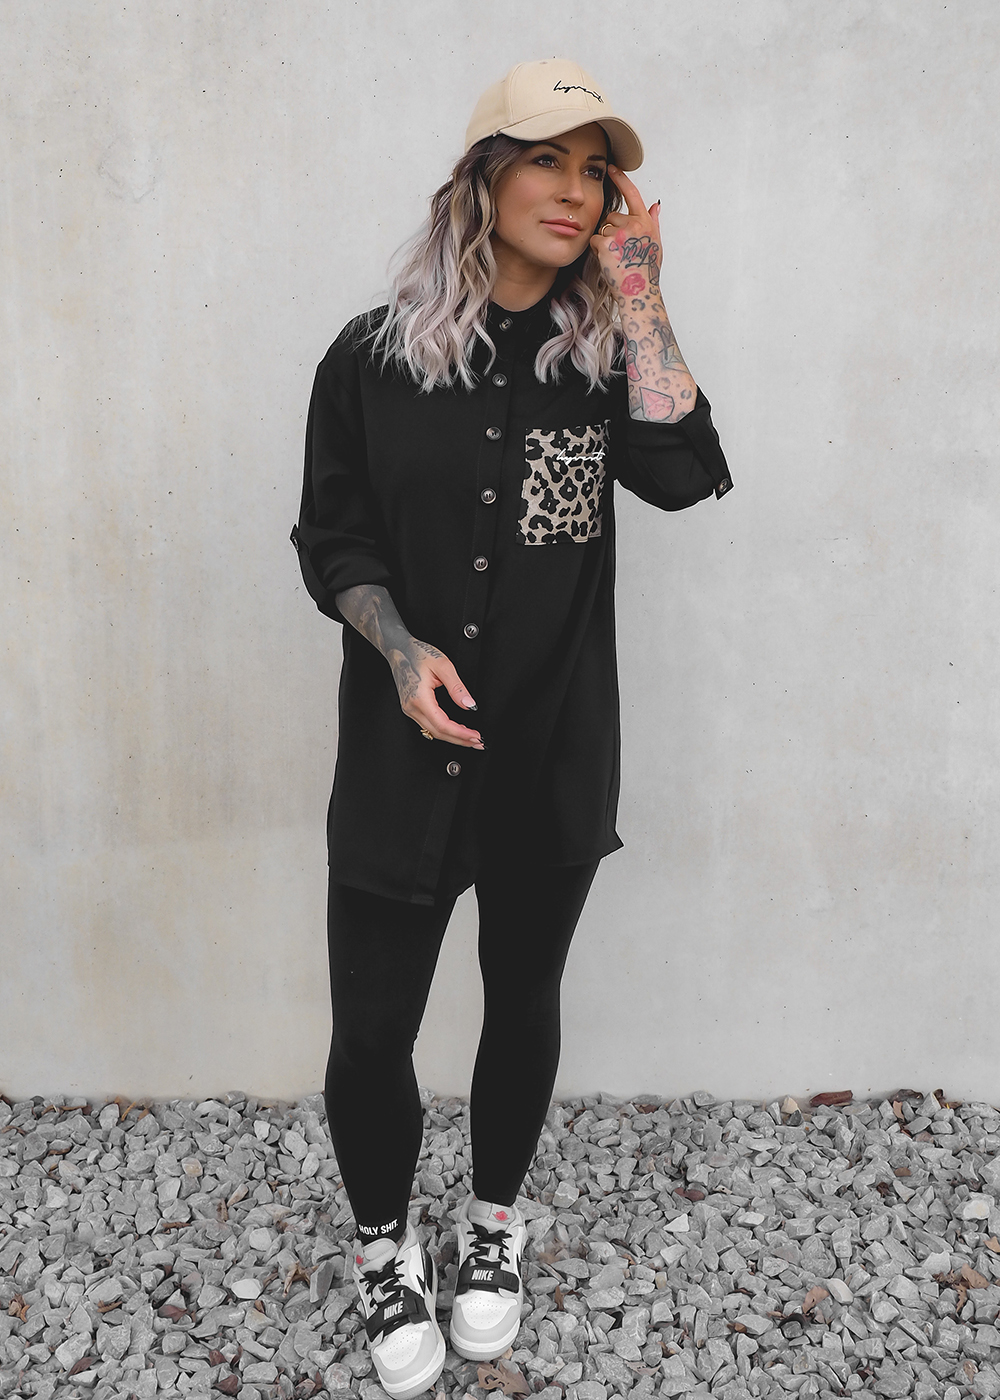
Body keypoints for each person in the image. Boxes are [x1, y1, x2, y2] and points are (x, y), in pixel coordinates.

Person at [291, 58, 733, 1400]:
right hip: (401, 757)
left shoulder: (604, 366)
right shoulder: (371, 359)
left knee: (522, 998)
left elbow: (685, 476)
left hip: (550, 758)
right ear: (482, 180)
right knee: (372, 1032)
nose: (576, 189)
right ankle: (384, 1248)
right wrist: (399, 647)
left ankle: (493, 1229)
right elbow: (332, 539)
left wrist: (641, 295)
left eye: (597, 171)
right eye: (547, 158)